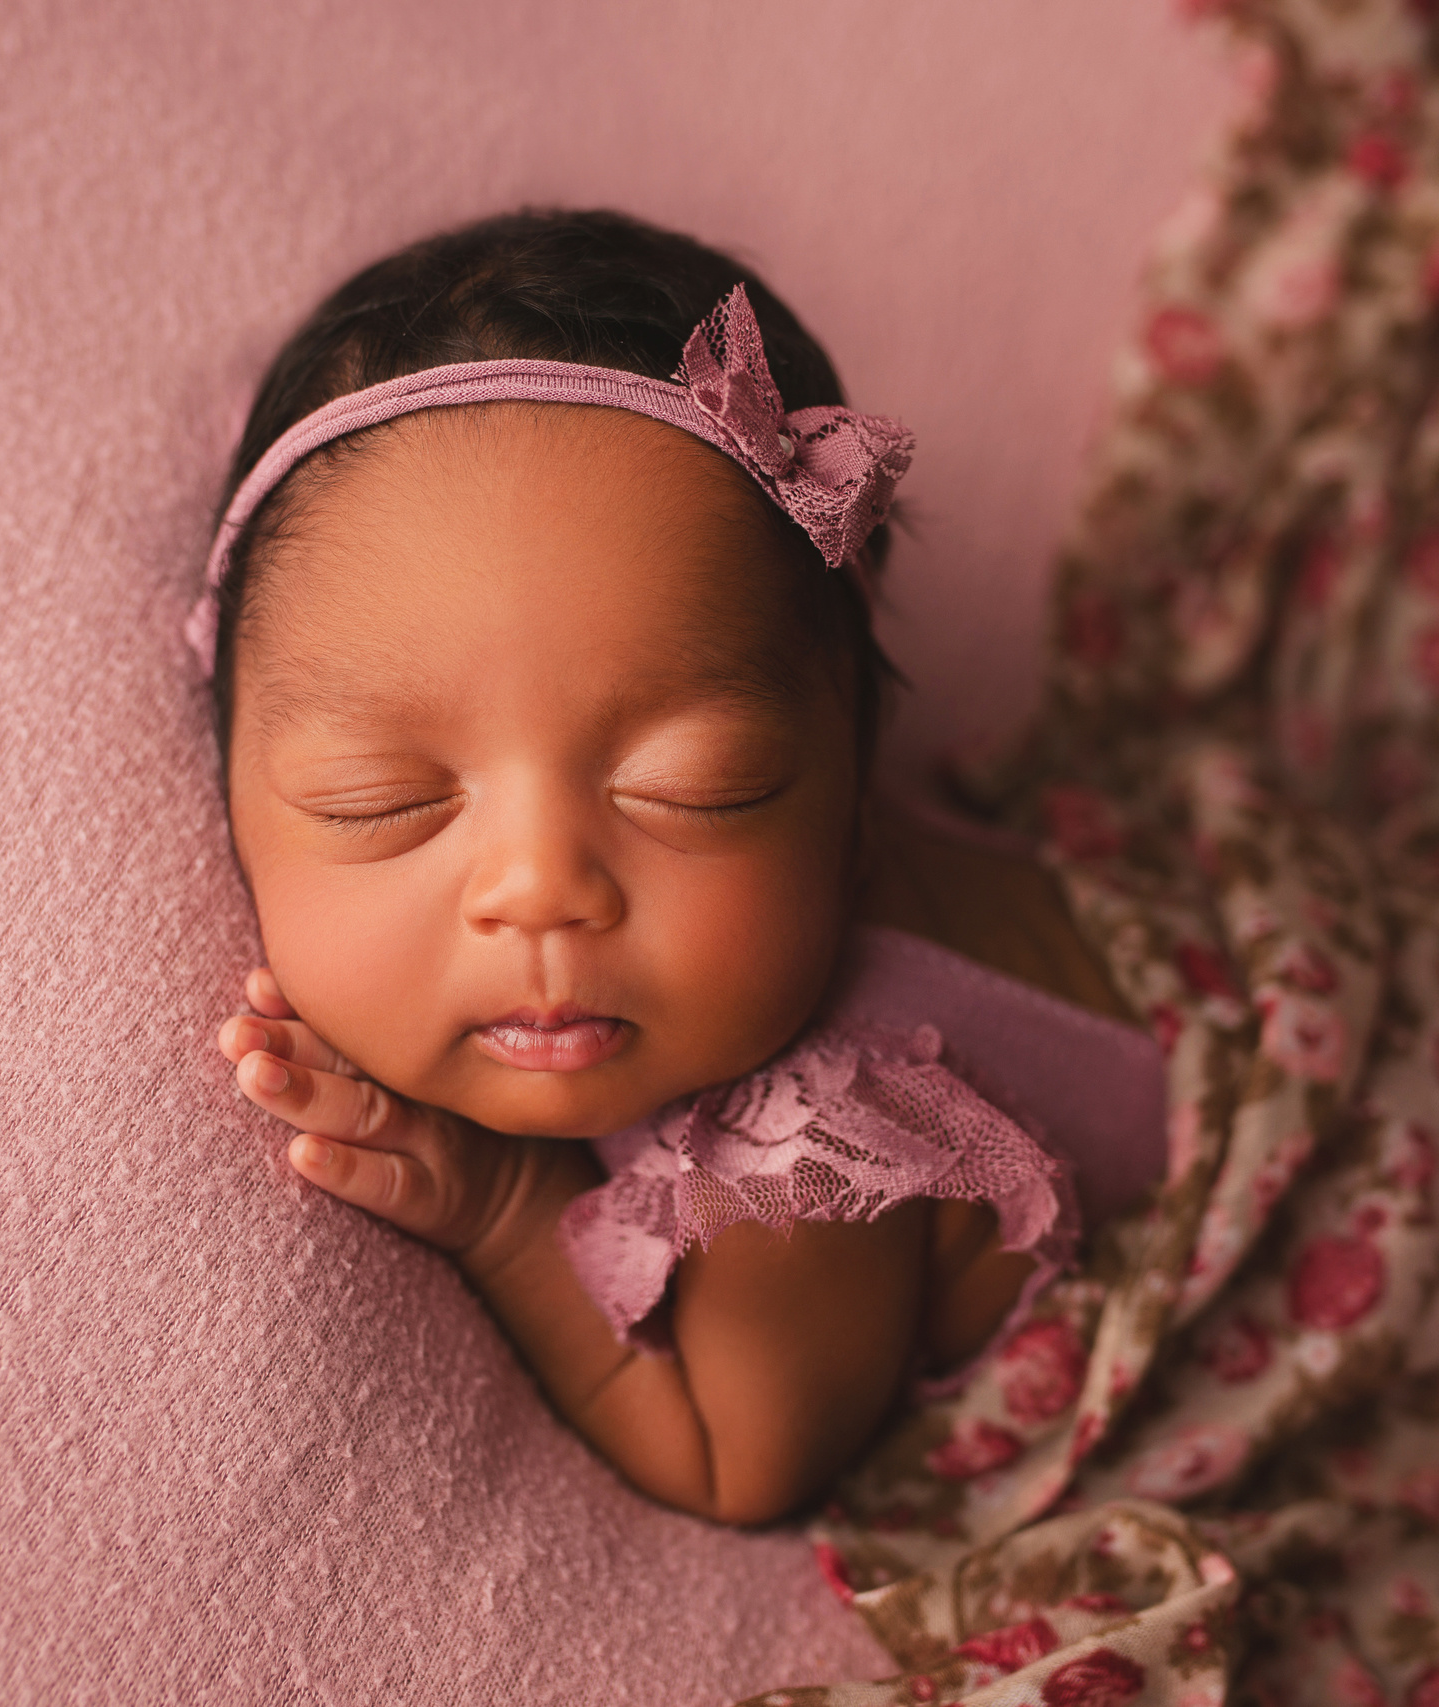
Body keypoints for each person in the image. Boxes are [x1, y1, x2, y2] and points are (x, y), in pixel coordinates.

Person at [200, 209, 1154, 1525]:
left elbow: (735, 1463)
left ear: (851, 805)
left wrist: (500, 1209)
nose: (538, 890)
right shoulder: (756, 888)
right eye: (384, 802)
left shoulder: (806, 1165)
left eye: (699, 789)